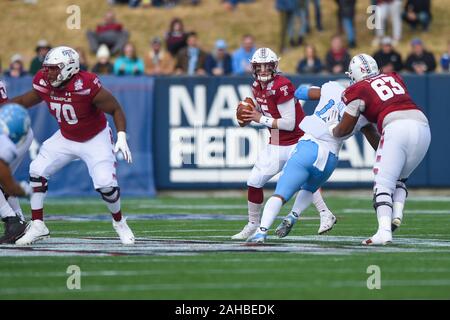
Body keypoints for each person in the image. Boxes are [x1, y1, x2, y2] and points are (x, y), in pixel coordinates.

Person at [9, 46, 135, 245]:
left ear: (69, 68)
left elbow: (115, 109)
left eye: (53, 68)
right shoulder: (44, 82)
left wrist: (121, 136)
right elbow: (24, 100)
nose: (47, 72)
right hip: (67, 137)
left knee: (105, 184)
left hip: (95, 138)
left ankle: (119, 223)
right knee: (37, 169)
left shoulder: (86, 85)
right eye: (47, 67)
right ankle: (38, 225)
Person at [247, 81, 380, 243]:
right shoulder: (365, 112)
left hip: (309, 146)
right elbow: (377, 144)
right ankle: (294, 215)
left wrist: (287, 96)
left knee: (280, 194)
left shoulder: (333, 88)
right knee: (309, 189)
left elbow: (302, 92)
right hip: (331, 158)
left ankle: (261, 231)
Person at [232, 47, 336, 240]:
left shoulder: (283, 85)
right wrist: (247, 111)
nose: (263, 70)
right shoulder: (256, 85)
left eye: (267, 66)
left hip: (298, 139)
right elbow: (261, 106)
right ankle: (253, 224)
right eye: (259, 66)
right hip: (277, 141)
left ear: (275, 66)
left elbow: (288, 123)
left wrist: (257, 118)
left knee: (304, 181)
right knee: (254, 181)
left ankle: (324, 213)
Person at [331, 53, 431, 245]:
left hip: (396, 127)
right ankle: (397, 212)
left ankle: (384, 232)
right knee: (399, 177)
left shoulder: (357, 90)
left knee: (382, 183)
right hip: (422, 126)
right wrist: (366, 124)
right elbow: (381, 142)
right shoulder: (393, 77)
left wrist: (333, 130)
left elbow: (342, 130)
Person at [0, 99, 33, 244]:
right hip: (10, 132)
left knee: (3, 177)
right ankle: (17, 220)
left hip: (9, 134)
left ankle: (13, 220)